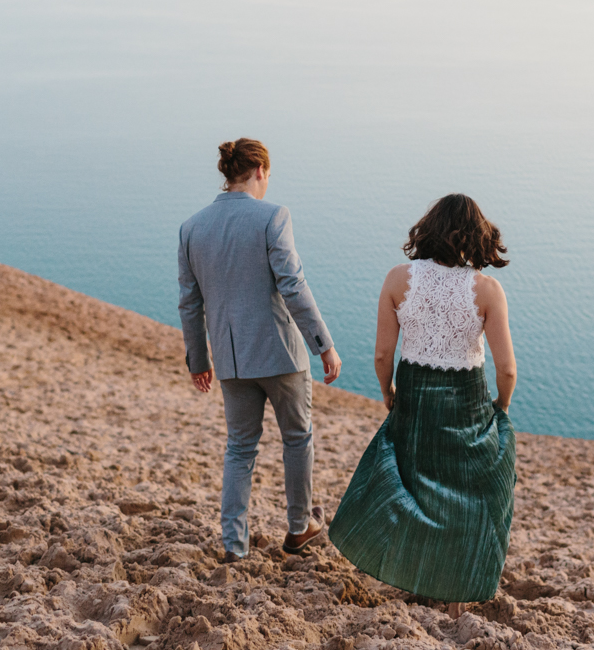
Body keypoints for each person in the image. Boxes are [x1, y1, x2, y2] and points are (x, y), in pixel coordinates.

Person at [328, 193, 517, 607]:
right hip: (466, 401)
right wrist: (500, 410)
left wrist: (388, 391)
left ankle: (408, 566)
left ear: (428, 230)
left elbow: (382, 355)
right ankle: (460, 578)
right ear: (477, 237)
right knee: (477, 487)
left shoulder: (398, 279)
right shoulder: (487, 290)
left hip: (414, 394)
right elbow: (507, 370)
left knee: (415, 483)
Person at [178, 138, 343, 563]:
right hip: (281, 355)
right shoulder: (274, 217)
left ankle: (234, 545)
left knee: (239, 448)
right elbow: (293, 286)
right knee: (297, 438)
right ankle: (299, 526)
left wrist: (199, 361)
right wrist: (323, 345)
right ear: (260, 172)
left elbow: (189, 303)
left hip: (231, 361)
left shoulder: (192, 227)